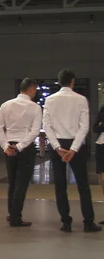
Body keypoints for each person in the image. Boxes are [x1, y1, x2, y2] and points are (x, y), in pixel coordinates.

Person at [43, 69, 101, 233]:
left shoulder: (49, 100)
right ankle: (88, 222)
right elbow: (84, 127)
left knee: (60, 186)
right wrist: (74, 148)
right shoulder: (81, 100)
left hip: (58, 145)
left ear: (59, 82)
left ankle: (66, 222)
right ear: (73, 81)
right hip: (76, 144)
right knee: (83, 185)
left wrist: (57, 147)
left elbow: (46, 126)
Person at [0, 78, 42, 227]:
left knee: (12, 183)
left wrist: (6, 146)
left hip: (9, 147)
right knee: (21, 184)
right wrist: (20, 146)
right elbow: (34, 132)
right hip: (25, 149)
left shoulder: (5, 105)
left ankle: (12, 213)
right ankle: (16, 217)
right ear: (31, 89)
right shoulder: (35, 107)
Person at [93, 102, 104, 225]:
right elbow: (96, 128)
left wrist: (102, 125)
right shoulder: (103, 108)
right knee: (102, 178)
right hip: (101, 146)